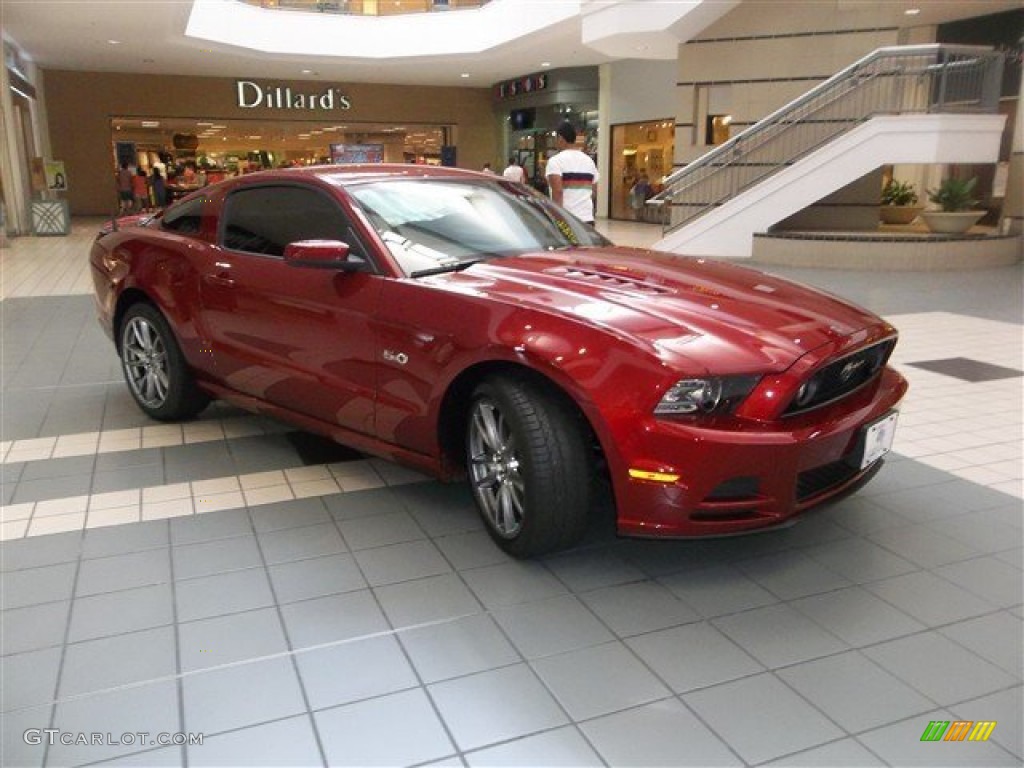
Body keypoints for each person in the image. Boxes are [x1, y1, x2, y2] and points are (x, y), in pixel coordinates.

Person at [545, 122, 598, 224]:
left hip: (568, 220)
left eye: (555, 138)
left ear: (560, 138)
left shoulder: (555, 161)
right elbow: (594, 190)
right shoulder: (589, 161)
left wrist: (558, 220)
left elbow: (558, 192)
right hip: (587, 219)